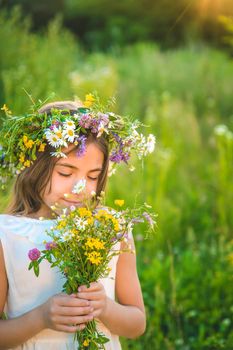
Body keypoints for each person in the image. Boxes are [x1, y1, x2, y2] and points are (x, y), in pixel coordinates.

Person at [0, 95, 155, 349]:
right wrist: (40, 318)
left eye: (93, 176)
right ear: (35, 167)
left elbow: (137, 323)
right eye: (65, 172)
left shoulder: (112, 229)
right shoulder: (7, 235)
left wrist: (104, 307)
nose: (80, 187)